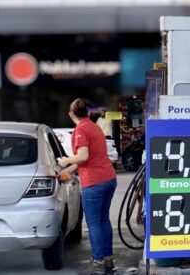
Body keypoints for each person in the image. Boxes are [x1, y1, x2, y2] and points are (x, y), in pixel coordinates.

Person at [58, 98, 117, 275]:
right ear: (87, 113)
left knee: (93, 224)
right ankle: (107, 261)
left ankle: (97, 265)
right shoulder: (94, 127)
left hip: (94, 182)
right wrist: (67, 171)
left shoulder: (80, 130)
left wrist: (65, 161)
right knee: (103, 220)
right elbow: (88, 158)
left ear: (71, 114)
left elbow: (83, 156)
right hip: (109, 178)